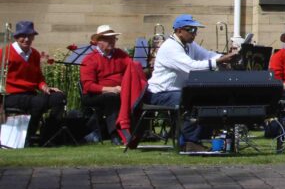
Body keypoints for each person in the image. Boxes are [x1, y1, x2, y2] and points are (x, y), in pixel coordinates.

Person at [145, 14, 239, 150]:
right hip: (161, 93)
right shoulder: (170, 47)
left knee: (209, 99)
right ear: (179, 31)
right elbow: (191, 67)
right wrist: (219, 61)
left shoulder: (189, 45)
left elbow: (207, 55)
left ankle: (196, 139)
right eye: (191, 30)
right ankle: (190, 141)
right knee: (193, 101)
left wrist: (225, 57)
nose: (194, 34)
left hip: (176, 91)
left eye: (195, 30)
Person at [2, 20, 66, 144]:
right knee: (38, 102)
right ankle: (29, 137)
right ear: (16, 37)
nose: (26, 39)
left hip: (30, 95)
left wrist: (46, 88)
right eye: (23, 36)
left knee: (59, 97)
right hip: (11, 95)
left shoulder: (35, 54)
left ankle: (48, 135)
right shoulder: (4, 53)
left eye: (29, 36)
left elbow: (38, 79)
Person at [80, 24, 132, 144]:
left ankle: (137, 131)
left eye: (113, 39)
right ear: (98, 42)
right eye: (107, 39)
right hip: (93, 95)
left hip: (118, 91)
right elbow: (88, 86)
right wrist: (111, 89)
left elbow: (132, 69)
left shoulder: (121, 55)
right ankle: (114, 134)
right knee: (112, 98)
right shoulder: (90, 59)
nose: (111, 41)